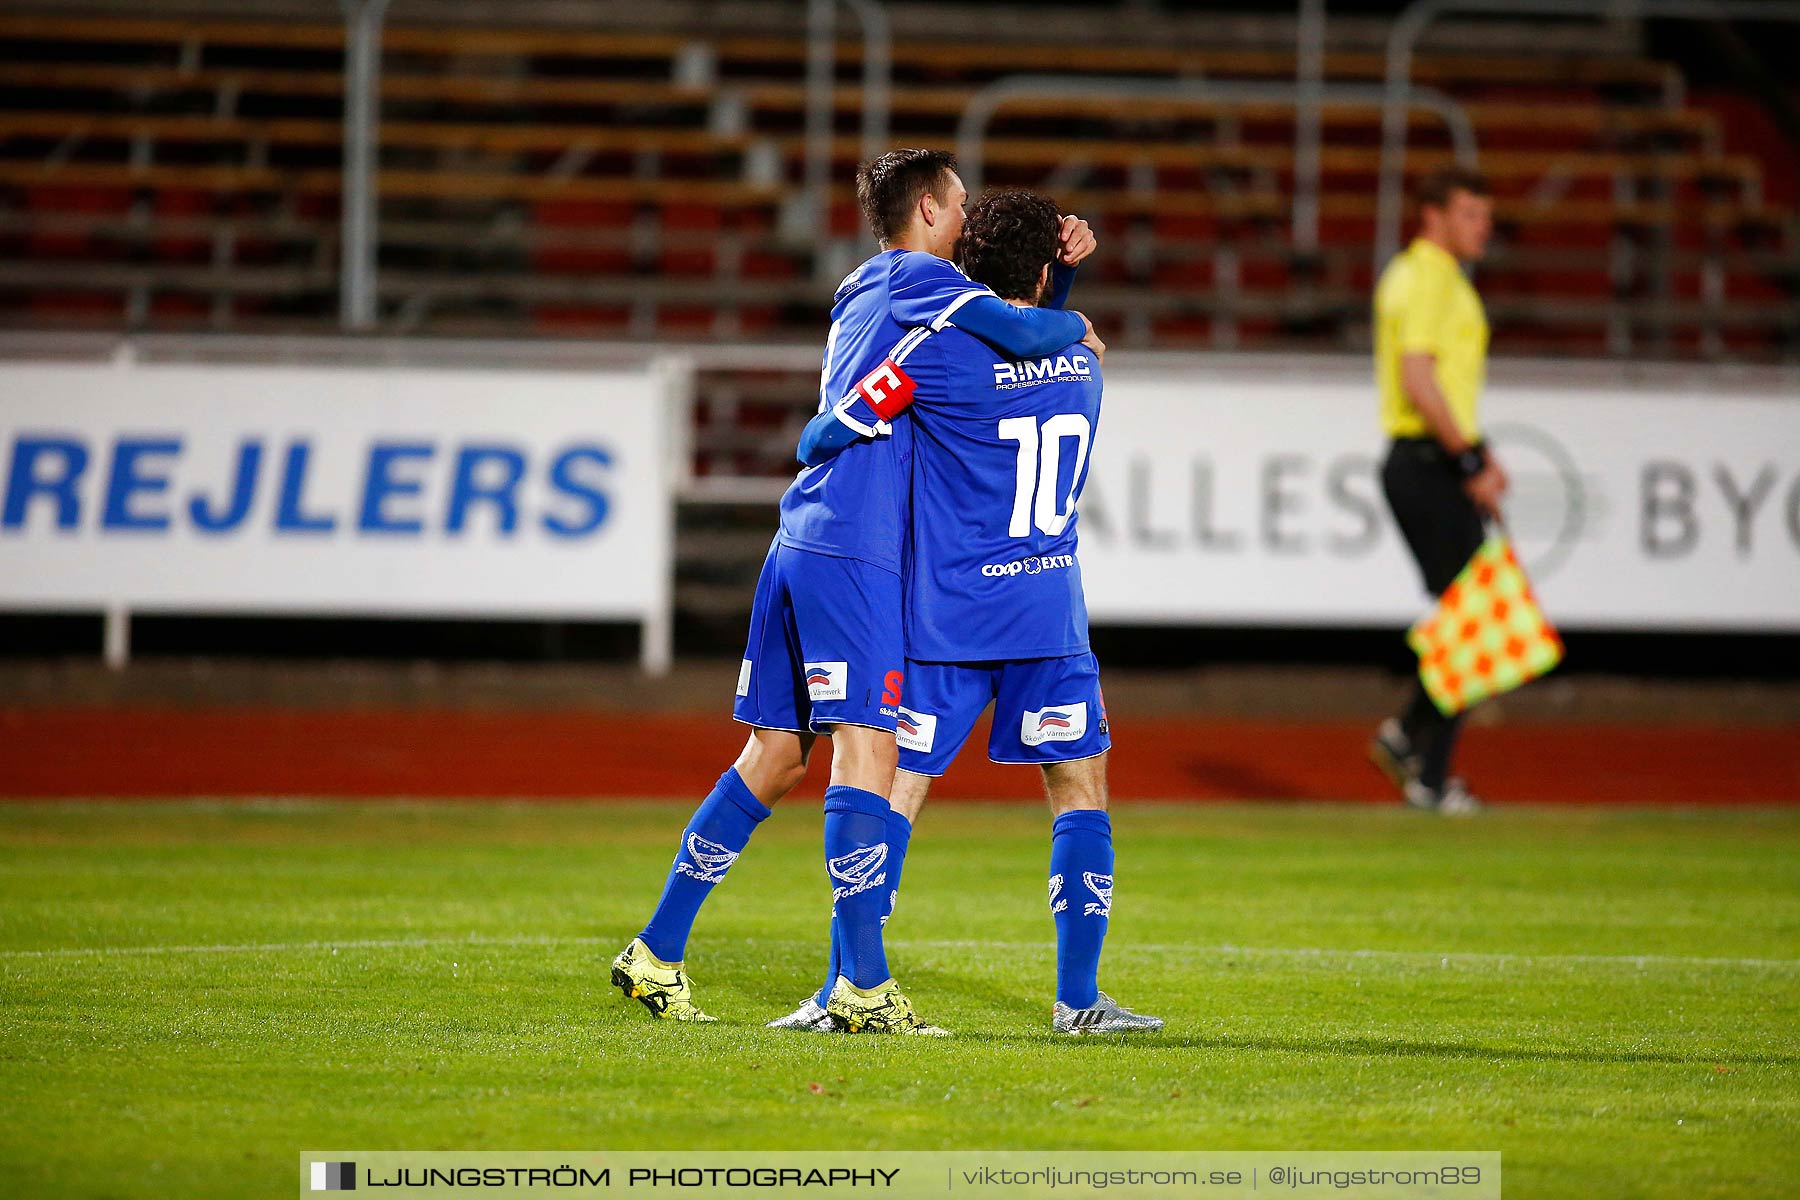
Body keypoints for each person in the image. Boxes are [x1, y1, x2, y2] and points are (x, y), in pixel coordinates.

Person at [612, 149, 1099, 1033]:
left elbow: (888, 392)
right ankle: (864, 990)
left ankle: (656, 950)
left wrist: (830, 426)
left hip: (801, 538)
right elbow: (1021, 342)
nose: (964, 220)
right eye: (957, 204)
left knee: (776, 758)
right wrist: (1074, 319)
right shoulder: (927, 282)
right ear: (925, 209)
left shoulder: (865, 290)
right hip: (860, 553)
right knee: (869, 754)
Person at [772, 190, 1159, 1036]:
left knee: (891, 794)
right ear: (1050, 268)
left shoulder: (943, 359)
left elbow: (855, 415)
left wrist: (814, 441)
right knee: (1078, 790)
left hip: (944, 617)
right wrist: (1065, 301)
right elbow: (1032, 345)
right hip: (1047, 609)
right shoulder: (1086, 359)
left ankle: (846, 987)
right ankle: (1080, 1000)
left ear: (966, 269)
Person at [1368, 166, 1507, 816]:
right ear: (1434, 214)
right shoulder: (1427, 278)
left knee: (1466, 615)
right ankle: (1430, 778)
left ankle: (1406, 737)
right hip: (1428, 462)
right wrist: (1471, 457)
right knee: (1471, 621)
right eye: (1472, 213)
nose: (1485, 227)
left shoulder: (1428, 276)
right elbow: (1420, 381)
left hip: (1428, 462)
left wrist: (1476, 457)